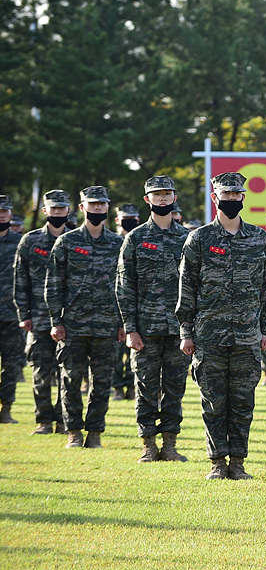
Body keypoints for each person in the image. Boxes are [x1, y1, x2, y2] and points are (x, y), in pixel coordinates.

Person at [177, 172, 266, 480]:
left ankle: (239, 463)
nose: (231, 200)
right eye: (226, 196)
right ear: (214, 199)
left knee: (243, 402)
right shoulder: (200, 238)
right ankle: (217, 462)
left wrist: (263, 330)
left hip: (246, 336)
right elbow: (187, 288)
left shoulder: (260, 238)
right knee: (214, 403)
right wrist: (185, 333)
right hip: (208, 335)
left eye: (236, 195)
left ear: (243, 198)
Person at [115, 175, 191, 462]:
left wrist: (190, 328)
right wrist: (130, 328)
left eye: (167, 194)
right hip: (145, 329)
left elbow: (195, 285)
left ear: (174, 199)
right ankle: (148, 444)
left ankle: (170, 444)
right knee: (145, 386)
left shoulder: (186, 238)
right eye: (156, 195)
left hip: (178, 329)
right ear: (147, 200)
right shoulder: (135, 238)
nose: (162, 199)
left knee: (175, 388)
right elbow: (124, 286)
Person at [45, 186, 124, 449]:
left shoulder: (118, 243)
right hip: (73, 325)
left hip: (107, 325)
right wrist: (56, 320)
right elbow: (54, 284)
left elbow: (126, 286)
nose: (97, 209)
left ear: (108, 207)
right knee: (71, 381)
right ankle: (74, 432)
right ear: (82, 208)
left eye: (102, 204)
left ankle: (95, 433)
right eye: (92, 204)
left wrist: (124, 323)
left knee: (102, 383)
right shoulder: (67, 242)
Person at [14, 190, 69, 434]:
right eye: (53, 209)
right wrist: (23, 314)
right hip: (38, 317)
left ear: (69, 210)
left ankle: (64, 419)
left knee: (68, 374)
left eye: (61, 208)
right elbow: (20, 280)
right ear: (45, 211)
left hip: (70, 318)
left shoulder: (76, 240)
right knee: (41, 372)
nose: (57, 213)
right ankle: (44, 420)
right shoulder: (30, 241)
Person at [111, 203, 141, 401]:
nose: (129, 221)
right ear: (117, 220)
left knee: (133, 350)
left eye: (133, 217)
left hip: (135, 308)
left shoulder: (140, 240)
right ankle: (117, 388)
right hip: (111, 309)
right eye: (125, 217)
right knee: (114, 354)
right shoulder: (111, 242)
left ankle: (131, 386)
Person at [0, 195, 22, 424]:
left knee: (11, 364)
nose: (1, 214)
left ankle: (6, 409)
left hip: (11, 314)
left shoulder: (20, 242)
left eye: (5, 210)